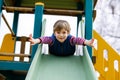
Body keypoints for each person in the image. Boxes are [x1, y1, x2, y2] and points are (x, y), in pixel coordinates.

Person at [29, 20, 94, 56]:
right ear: (54, 33)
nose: (61, 35)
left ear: (68, 33)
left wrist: (87, 42)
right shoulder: (52, 40)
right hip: (54, 55)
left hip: (69, 55)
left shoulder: (71, 40)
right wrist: (35, 41)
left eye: (64, 32)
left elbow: (79, 40)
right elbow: (43, 39)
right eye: (58, 32)